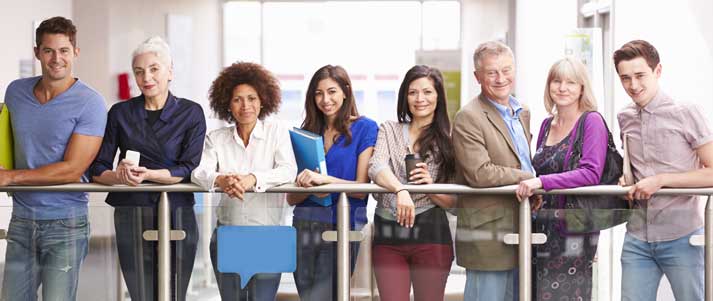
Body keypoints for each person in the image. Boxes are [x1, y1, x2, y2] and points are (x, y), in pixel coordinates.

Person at [90, 36, 206, 301]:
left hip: (176, 210)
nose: (147, 77)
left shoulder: (191, 113)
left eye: (154, 69)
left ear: (170, 72)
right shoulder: (120, 113)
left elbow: (189, 167)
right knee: (140, 292)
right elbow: (98, 168)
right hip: (131, 211)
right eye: (139, 72)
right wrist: (117, 176)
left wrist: (150, 175)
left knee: (174, 291)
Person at [0, 16, 107, 301]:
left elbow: (72, 170)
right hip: (22, 219)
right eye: (48, 50)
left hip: (66, 223)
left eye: (63, 51)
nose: (56, 58)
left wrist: (11, 178)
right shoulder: (15, 92)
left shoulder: (91, 102)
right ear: (37, 52)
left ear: (75, 53)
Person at [614, 40, 713, 301]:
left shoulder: (686, 111)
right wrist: (626, 180)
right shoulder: (624, 116)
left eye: (639, 76)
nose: (633, 85)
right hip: (637, 237)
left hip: (682, 236)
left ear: (658, 71)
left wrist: (661, 180)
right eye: (625, 78)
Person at [191, 62, 297, 301]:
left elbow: (289, 171)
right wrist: (221, 179)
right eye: (238, 99)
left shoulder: (277, 133)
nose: (246, 106)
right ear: (227, 104)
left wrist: (253, 179)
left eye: (252, 98)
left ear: (262, 101)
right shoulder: (216, 138)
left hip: (269, 237)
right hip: (229, 235)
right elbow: (198, 173)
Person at [515, 57, 608, 300]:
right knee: (535, 292)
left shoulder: (592, 121)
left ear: (581, 88)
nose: (562, 88)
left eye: (571, 82)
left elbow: (591, 173)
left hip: (573, 230)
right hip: (541, 224)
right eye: (557, 81)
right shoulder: (546, 125)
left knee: (566, 294)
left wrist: (541, 183)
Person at [451, 41, 534, 301]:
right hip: (487, 233)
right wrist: (530, 178)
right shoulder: (469, 117)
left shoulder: (523, 112)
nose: (501, 79)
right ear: (478, 77)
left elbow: (522, 159)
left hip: (523, 224)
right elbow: (480, 173)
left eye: (506, 70)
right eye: (491, 73)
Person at [286, 65, 378, 301]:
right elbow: (291, 198)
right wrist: (303, 184)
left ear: (345, 92)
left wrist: (325, 180)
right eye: (318, 93)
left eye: (332, 91)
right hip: (304, 225)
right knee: (308, 297)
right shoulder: (307, 132)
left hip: (343, 226)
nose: (325, 100)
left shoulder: (365, 128)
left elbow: (360, 188)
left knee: (323, 297)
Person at [368, 65, 456, 301]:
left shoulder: (450, 140)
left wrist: (430, 187)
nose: (420, 99)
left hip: (432, 235)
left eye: (427, 92)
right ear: (404, 97)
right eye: (412, 92)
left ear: (438, 97)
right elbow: (376, 166)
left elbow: (454, 204)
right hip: (389, 235)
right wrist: (401, 189)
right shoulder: (389, 129)